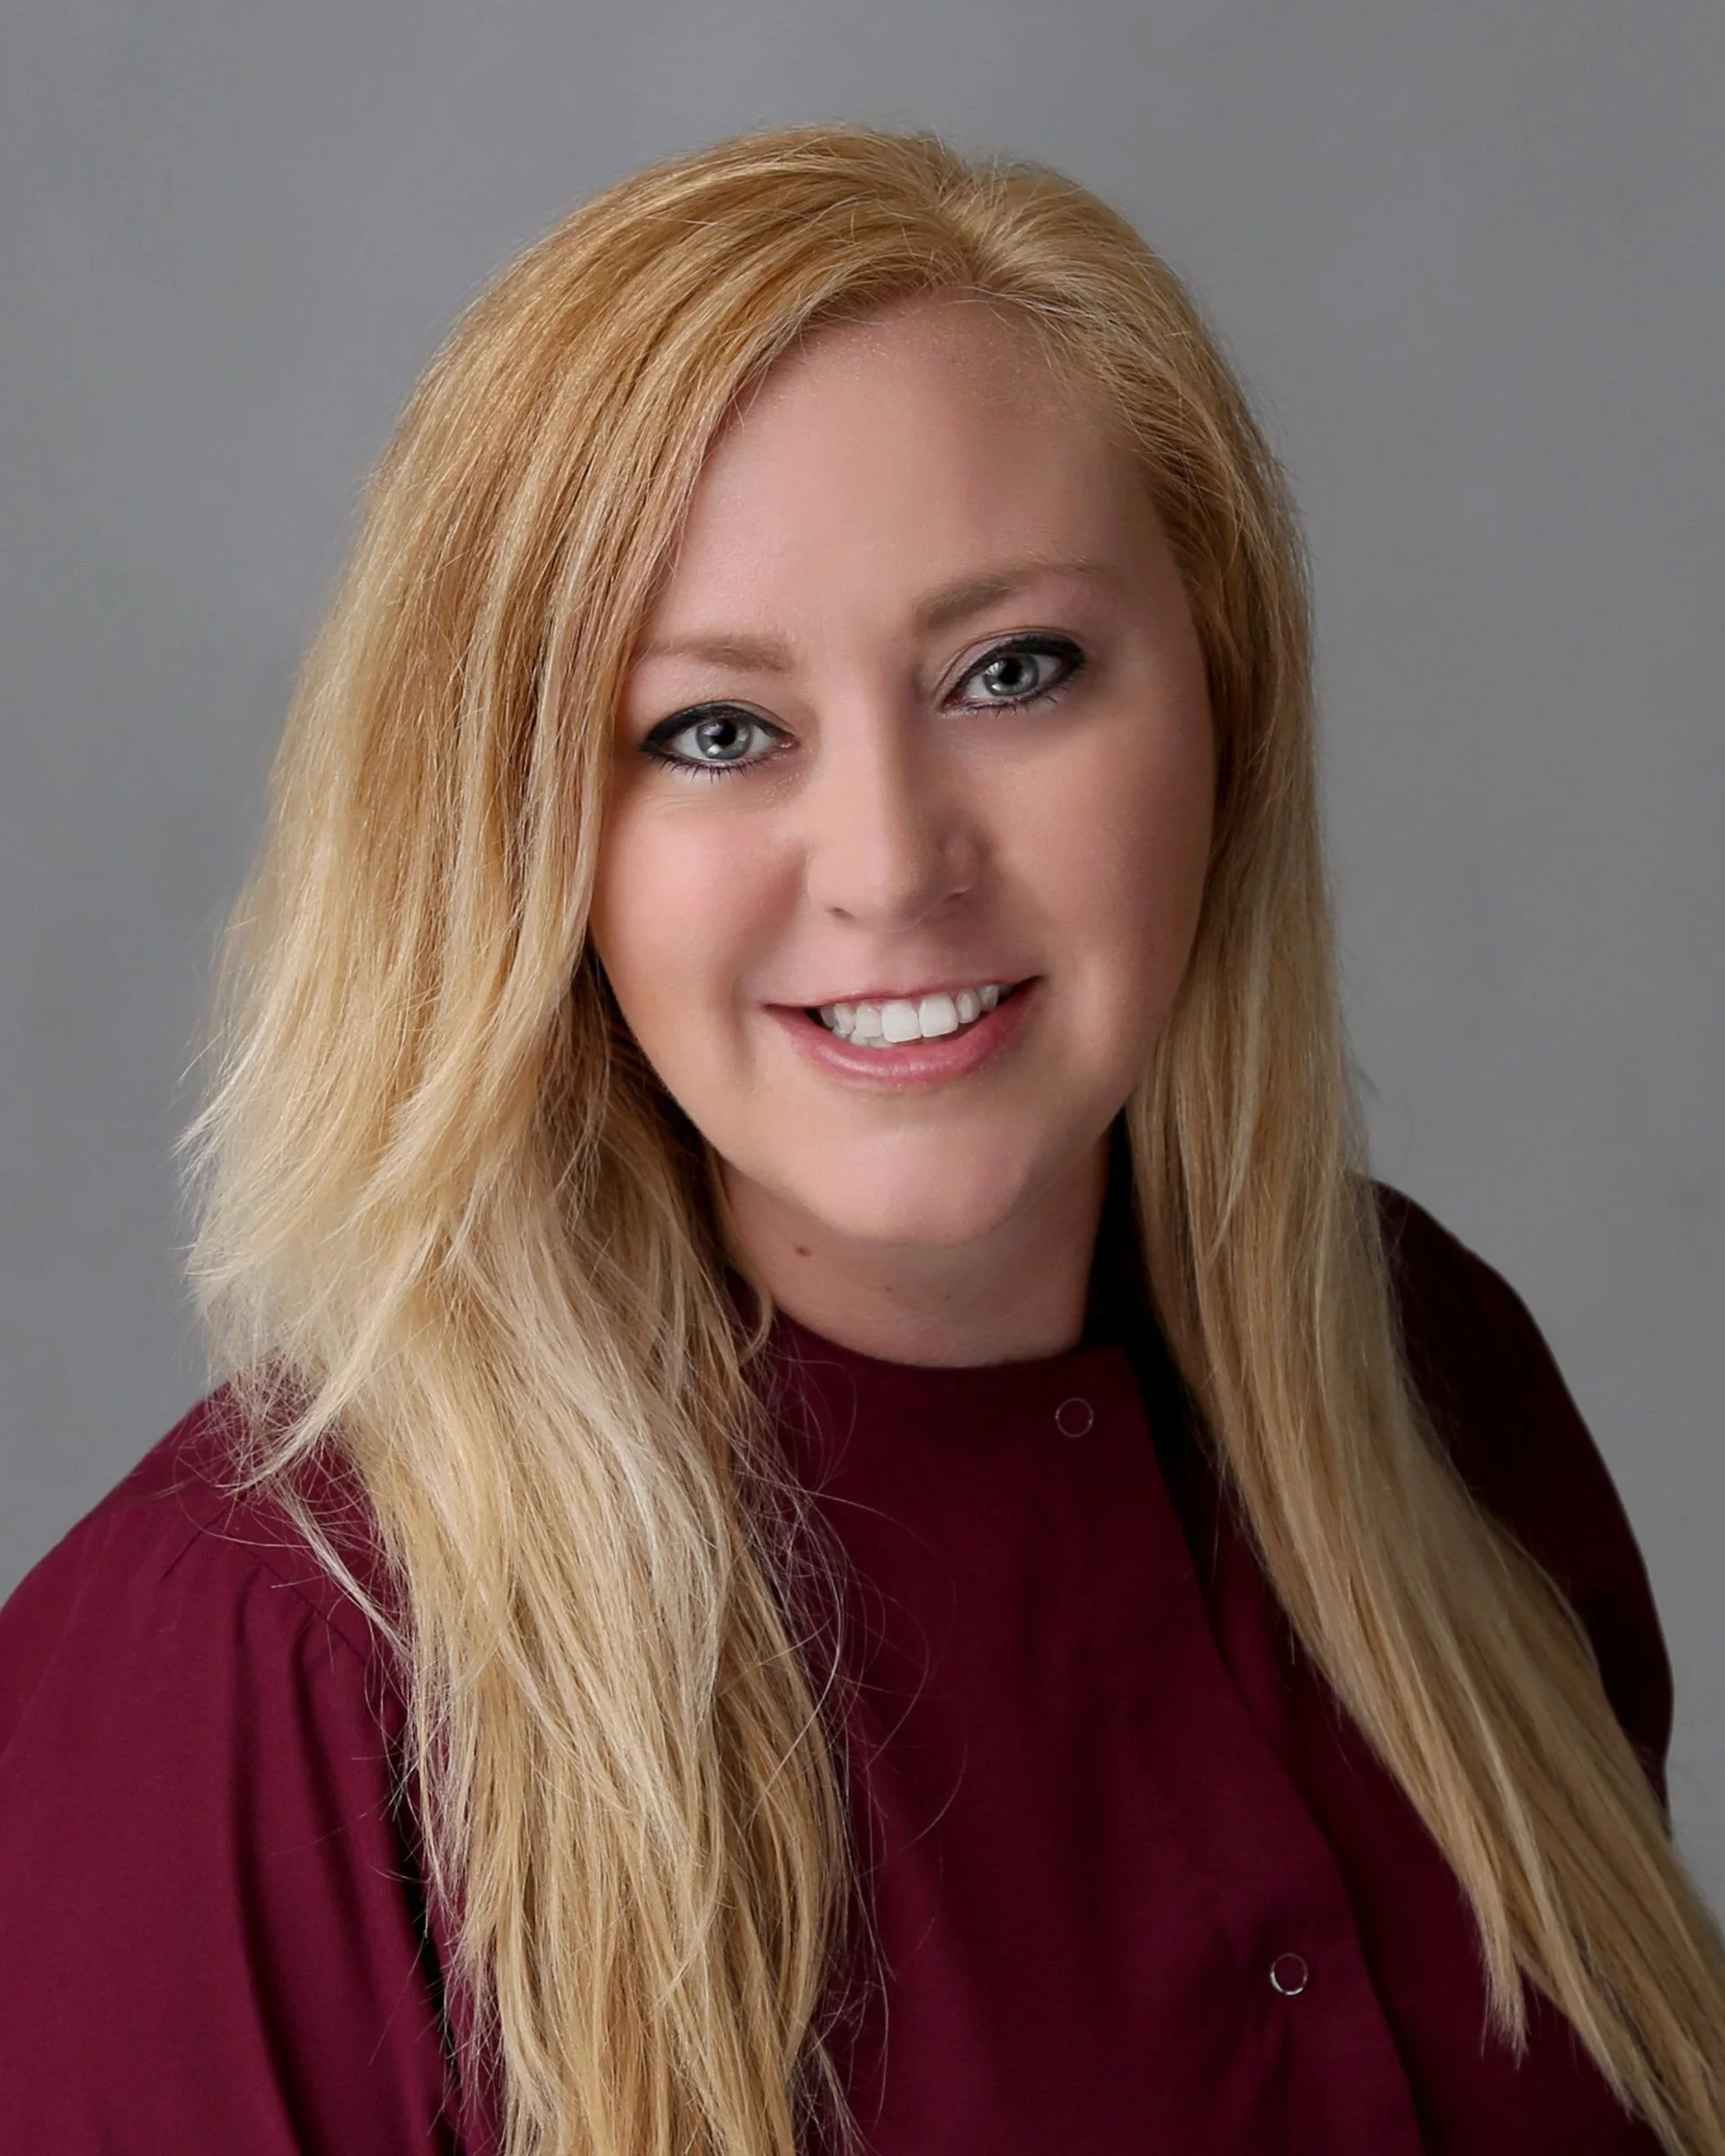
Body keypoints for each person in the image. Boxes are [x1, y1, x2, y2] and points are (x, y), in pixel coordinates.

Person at [0, 122, 1721, 2156]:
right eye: (714, 733)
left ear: (1221, 707)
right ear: (520, 830)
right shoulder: (251, 1685)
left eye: (1015, 672)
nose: (896, 867)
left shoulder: (1439, 1385)